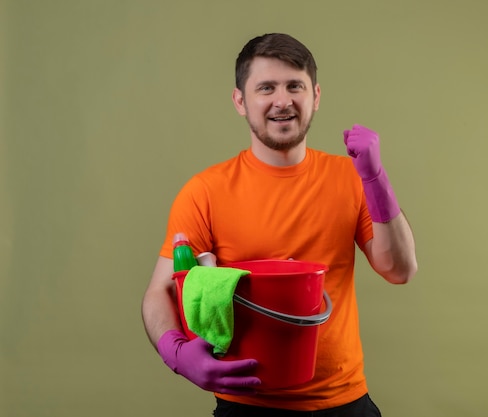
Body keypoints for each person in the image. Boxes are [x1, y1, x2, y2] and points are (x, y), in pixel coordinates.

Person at [141, 33, 417, 416]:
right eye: (266, 88)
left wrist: (376, 179)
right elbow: (160, 291)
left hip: (343, 402)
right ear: (241, 101)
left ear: (315, 96)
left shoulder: (351, 178)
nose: (282, 101)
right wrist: (176, 352)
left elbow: (399, 269)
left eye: (295, 86)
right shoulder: (205, 191)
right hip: (246, 404)